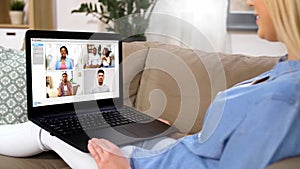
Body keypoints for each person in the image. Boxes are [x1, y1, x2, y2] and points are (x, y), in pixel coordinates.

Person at [0, 0, 299, 169]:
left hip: (144, 165)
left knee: (46, 128)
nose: (250, 1)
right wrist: (164, 132)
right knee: (63, 124)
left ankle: (47, 132)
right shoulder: (285, 71)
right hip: (170, 151)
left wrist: (128, 167)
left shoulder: (282, 100)